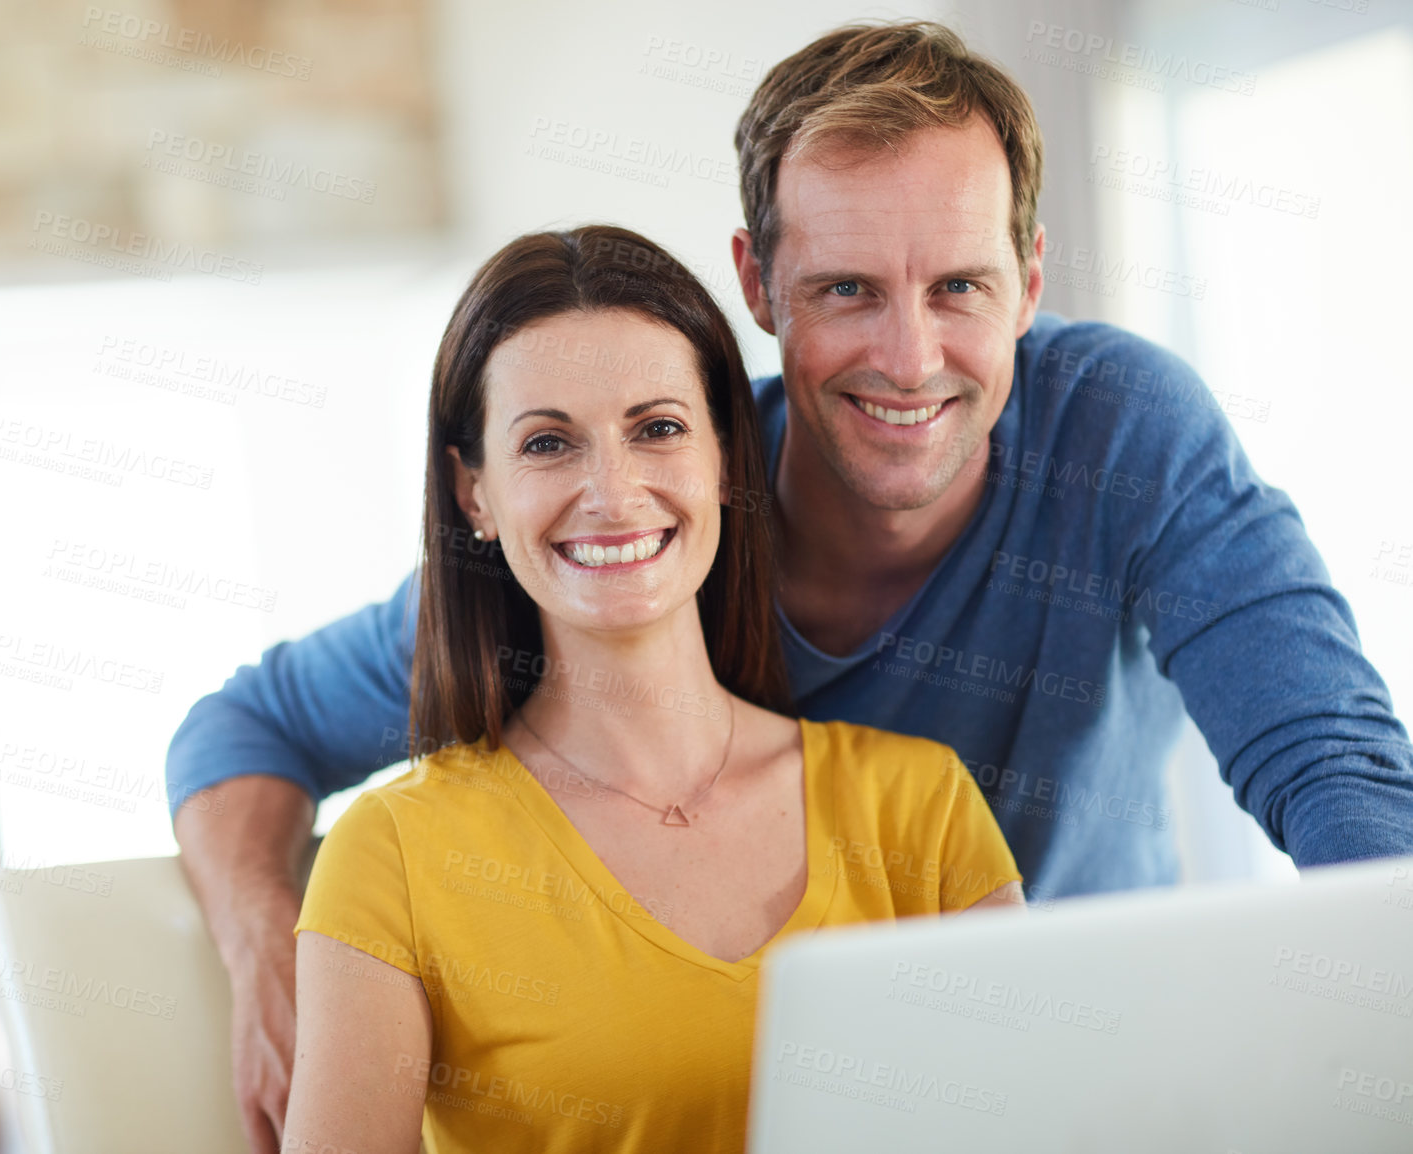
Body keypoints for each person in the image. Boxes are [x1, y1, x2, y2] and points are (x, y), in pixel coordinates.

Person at [168, 20, 1413, 1152]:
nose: (909, 356)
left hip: (1089, 1085)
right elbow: (244, 726)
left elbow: (1331, 764)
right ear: (757, 286)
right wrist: (265, 945)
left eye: (959, 287)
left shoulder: (1122, 434)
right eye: (844, 290)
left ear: (1030, 280)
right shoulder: (648, 523)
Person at [279, 223, 1022, 1154]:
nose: (614, 493)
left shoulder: (923, 807)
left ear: (722, 458)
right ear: (475, 494)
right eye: (549, 444)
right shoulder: (391, 859)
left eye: (658, 429)